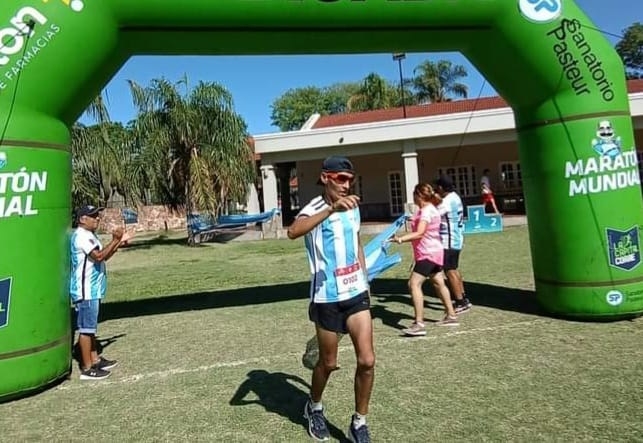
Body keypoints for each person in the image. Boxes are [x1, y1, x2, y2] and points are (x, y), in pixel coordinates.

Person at [288, 156, 374, 443]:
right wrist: (330, 210)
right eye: (340, 179)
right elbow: (292, 232)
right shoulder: (314, 208)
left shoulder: (353, 207)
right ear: (325, 178)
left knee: (367, 360)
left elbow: (357, 243)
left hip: (356, 293)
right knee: (328, 363)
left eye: (350, 180)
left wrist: (364, 280)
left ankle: (359, 423)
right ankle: (314, 406)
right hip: (326, 297)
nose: (346, 185)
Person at [70, 205, 134, 380]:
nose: (97, 218)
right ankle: (87, 368)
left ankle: (95, 360)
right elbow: (98, 257)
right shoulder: (81, 236)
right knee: (86, 329)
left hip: (93, 289)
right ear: (82, 219)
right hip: (85, 290)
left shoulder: (90, 235)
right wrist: (115, 240)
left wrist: (118, 242)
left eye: (97, 215)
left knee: (91, 328)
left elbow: (103, 257)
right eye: (93, 216)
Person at [393, 183, 459, 336]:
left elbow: (420, 233)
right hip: (434, 252)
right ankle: (451, 315)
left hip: (428, 254)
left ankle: (419, 324)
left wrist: (400, 239)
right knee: (438, 282)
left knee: (413, 284)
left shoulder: (426, 211)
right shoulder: (428, 210)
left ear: (418, 195)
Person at [434, 176, 472, 314]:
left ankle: (460, 302)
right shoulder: (455, 197)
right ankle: (463, 297)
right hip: (456, 238)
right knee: (454, 269)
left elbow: (434, 214)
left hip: (449, 240)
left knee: (449, 270)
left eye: (437, 187)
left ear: (441, 187)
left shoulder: (447, 201)